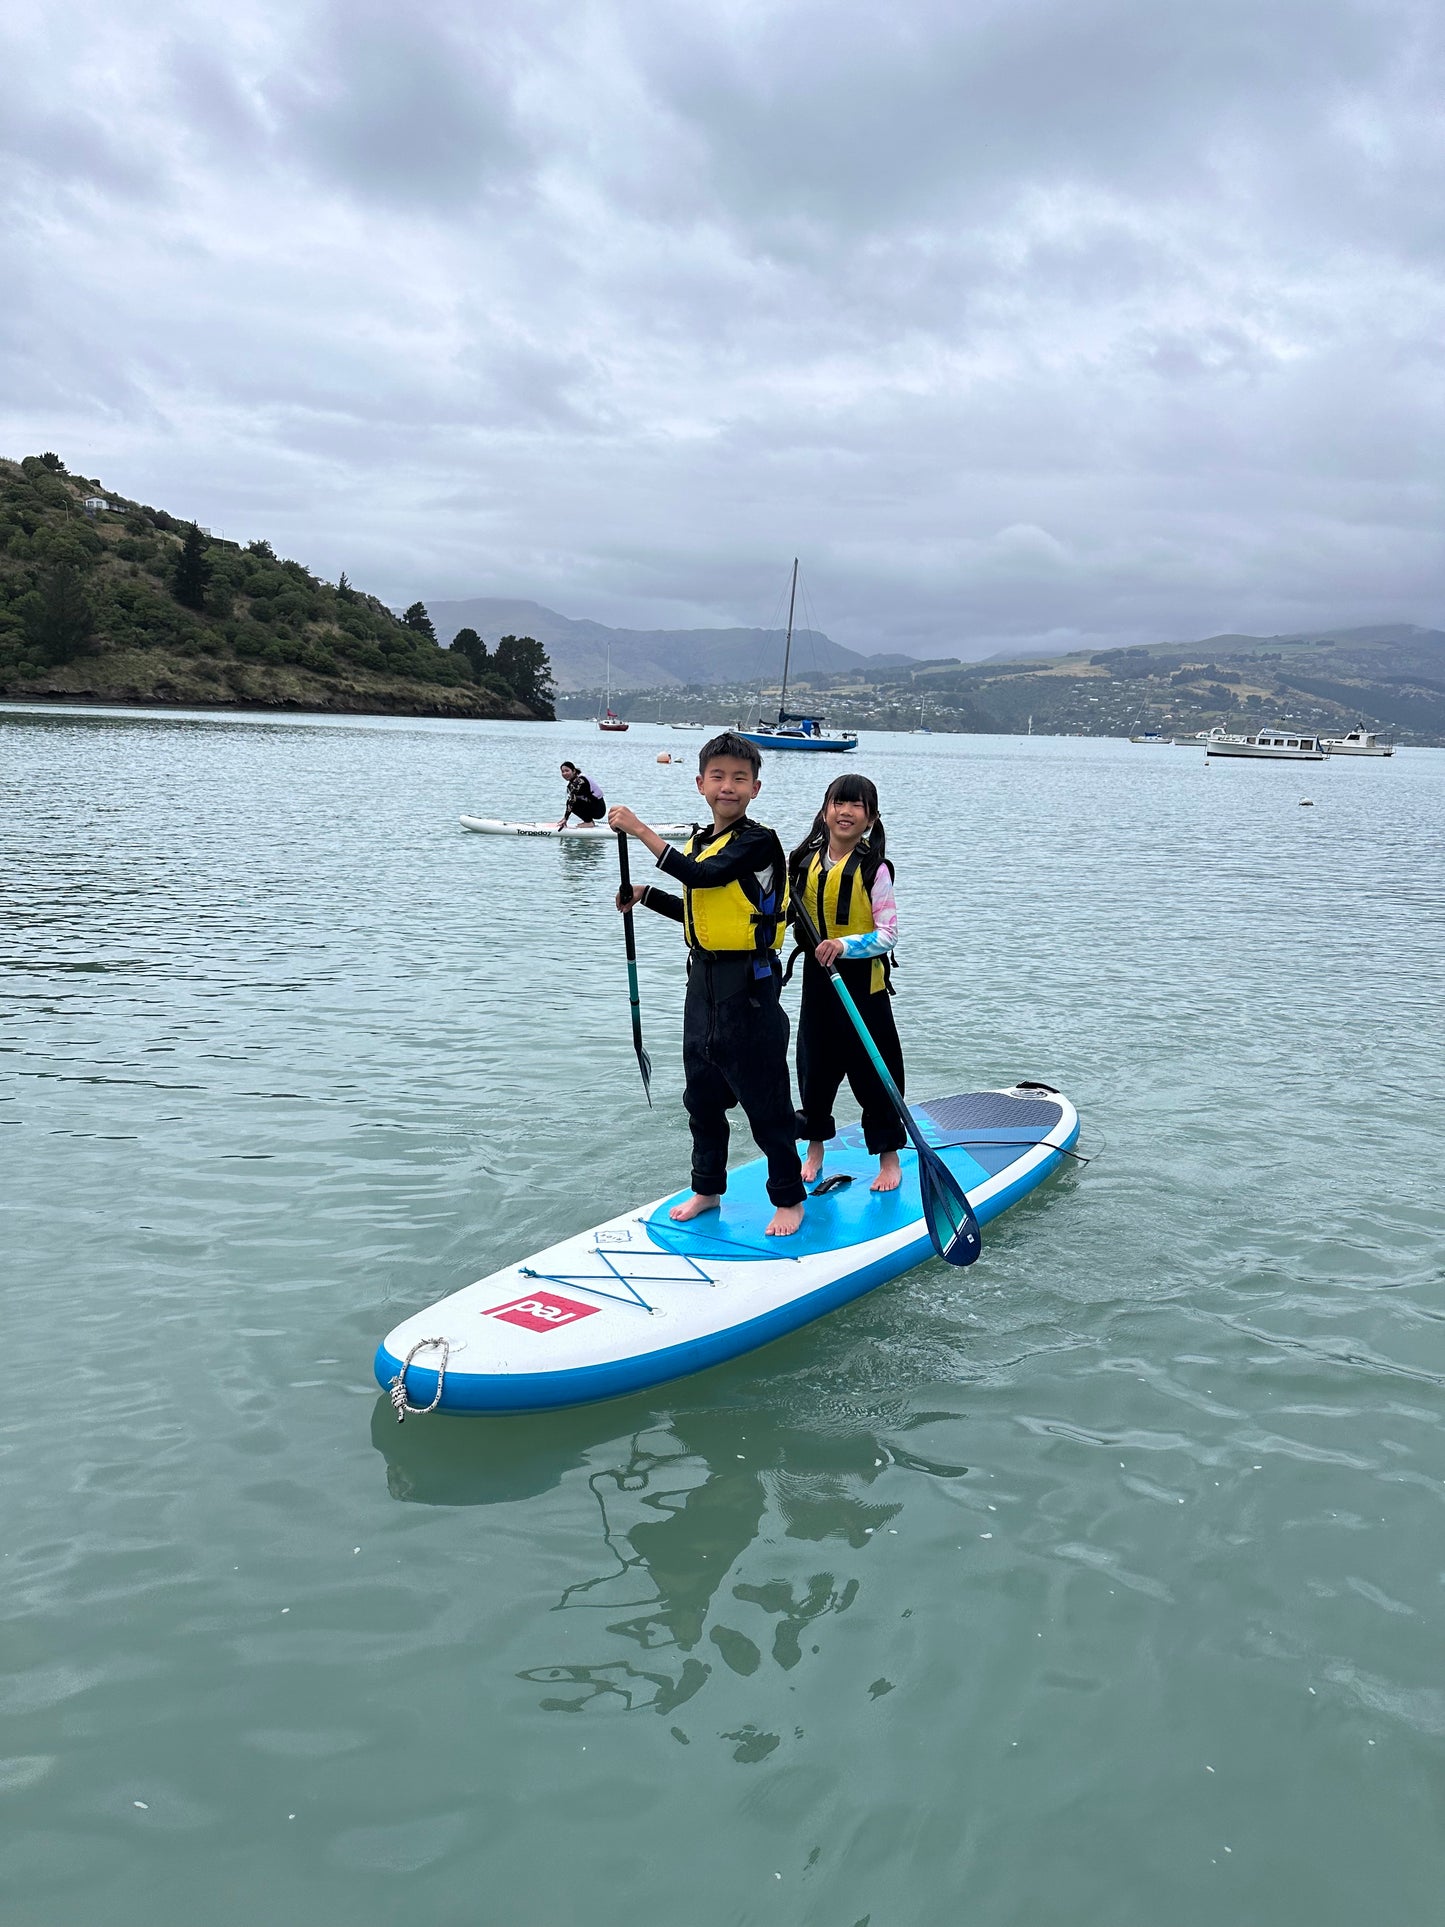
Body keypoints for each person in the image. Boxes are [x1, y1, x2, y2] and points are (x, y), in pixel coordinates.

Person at [607, 732, 806, 1237]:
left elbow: (700, 878)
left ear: (755, 788)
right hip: (703, 986)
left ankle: (787, 1198)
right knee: (701, 1096)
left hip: (751, 989)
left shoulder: (758, 842)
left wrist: (639, 829)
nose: (728, 786)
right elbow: (699, 913)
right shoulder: (702, 842)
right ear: (700, 783)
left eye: (740, 778)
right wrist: (646, 894)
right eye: (717, 776)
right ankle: (707, 1187)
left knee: (765, 1102)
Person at [786, 773, 905, 1193]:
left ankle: (889, 1159)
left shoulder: (876, 869)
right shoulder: (801, 862)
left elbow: (888, 934)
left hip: (862, 987)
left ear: (870, 818)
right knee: (813, 1068)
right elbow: (782, 913)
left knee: (875, 1070)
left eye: (856, 806)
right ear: (825, 811)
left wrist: (844, 944)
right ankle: (815, 1147)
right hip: (818, 985)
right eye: (839, 803)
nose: (846, 811)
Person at [557, 761, 606, 829]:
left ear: (574, 771)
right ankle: (588, 821)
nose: (564, 773)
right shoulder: (573, 781)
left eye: (567, 771)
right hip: (593, 807)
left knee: (572, 802)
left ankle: (589, 822)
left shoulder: (580, 780)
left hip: (598, 809)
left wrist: (566, 818)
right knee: (571, 801)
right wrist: (565, 818)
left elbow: (572, 800)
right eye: (562, 771)